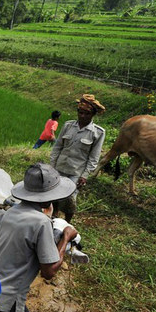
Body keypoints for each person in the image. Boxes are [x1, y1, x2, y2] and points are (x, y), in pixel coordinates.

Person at [0, 163, 79, 312]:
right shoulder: (41, 222)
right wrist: (65, 238)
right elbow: (49, 271)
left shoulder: (12, 212)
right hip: (9, 298)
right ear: (51, 198)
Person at [49, 94, 106, 222]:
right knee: (54, 193)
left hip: (76, 171)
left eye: (87, 113)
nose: (82, 116)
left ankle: (66, 223)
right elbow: (57, 146)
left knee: (70, 198)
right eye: (80, 112)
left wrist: (85, 175)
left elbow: (94, 156)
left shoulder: (97, 132)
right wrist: (52, 166)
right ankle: (54, 216)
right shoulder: (68, 126)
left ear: (92, 115)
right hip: (60, 166)